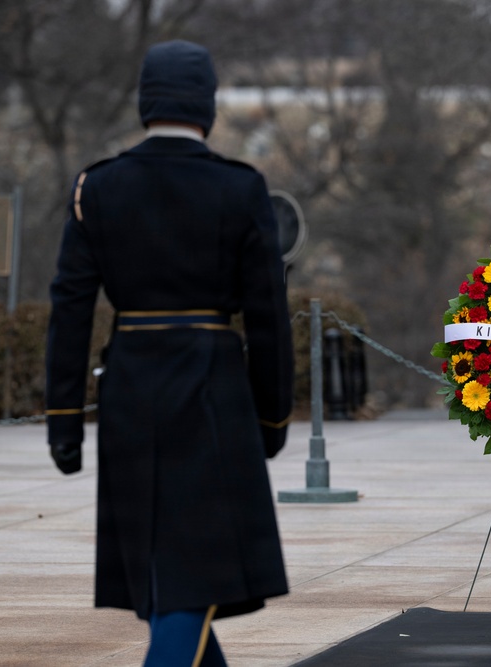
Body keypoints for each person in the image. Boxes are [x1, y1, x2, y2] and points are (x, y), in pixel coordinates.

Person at [44, 40, 294, 665]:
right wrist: (272, 417)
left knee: (166, 572)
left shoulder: (96, 187)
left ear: (145, 102)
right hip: (212, 388)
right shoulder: (239, 188)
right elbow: (266, 316)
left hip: (129, 386)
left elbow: (70, 311)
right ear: (206, 105)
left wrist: (63, 421)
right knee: (190, 576)